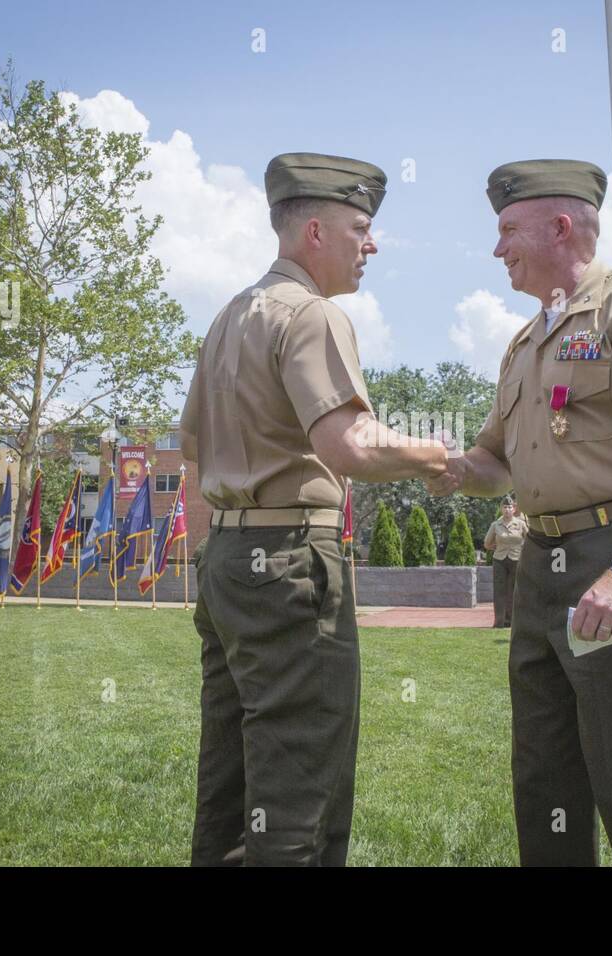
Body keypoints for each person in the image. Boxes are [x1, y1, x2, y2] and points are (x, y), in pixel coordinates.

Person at [430, 159, 612, 866]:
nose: (497, 250)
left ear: (561, 226)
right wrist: (449, 468)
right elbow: (498, 465)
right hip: (542, 568)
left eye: (507, 230)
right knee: (546, 784)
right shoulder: (523, 344)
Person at [179, 152, 452, 866]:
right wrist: (438, 459)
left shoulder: (228, 316)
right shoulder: (312, 315)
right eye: (361, 228)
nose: (374, 245)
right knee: (302, 784)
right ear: (315, 235)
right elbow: (350, 445)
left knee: (230, 785)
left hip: (231, 564)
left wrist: (206, 561)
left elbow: (192, 458)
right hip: (292, 564)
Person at [484, 497, 527, 628]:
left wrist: (522, 549)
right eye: (505, 507)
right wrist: (496, 547)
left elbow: (530, 540)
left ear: (514, 509)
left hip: (516, 559)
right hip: (500, 560)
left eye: (510, 507)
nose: (507, 510)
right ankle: (499, 621)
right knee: (499, 590)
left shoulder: (520, 524)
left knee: (514, 590)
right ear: (501, 509)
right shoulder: (495, 525)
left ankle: (512, 621)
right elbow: (487, 543)